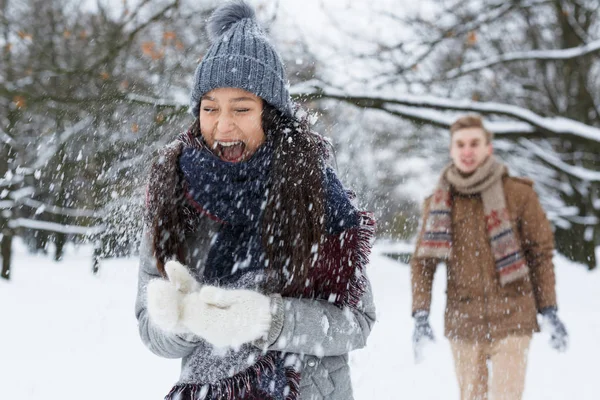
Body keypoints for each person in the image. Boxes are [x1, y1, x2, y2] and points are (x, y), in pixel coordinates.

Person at [134, 1, 376, 399]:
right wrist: (180, 318)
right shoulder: (175, 195)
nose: (222, 125)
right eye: (210, 108)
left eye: (242, 109)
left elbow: (357, 322)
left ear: (270, 113)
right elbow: (150, 331)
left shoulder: (315, 191)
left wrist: (270, 320)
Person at [410, 114, 568, 400]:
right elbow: (423, 262)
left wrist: (549, 308)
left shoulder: (518, 194)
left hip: (513, 317)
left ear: (488, 148)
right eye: (460, 144)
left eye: (474, 143)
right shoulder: (437, 202)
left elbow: (540, 254)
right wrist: (421, 313)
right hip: (463, 320)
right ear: (451, 149)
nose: (467, 151)